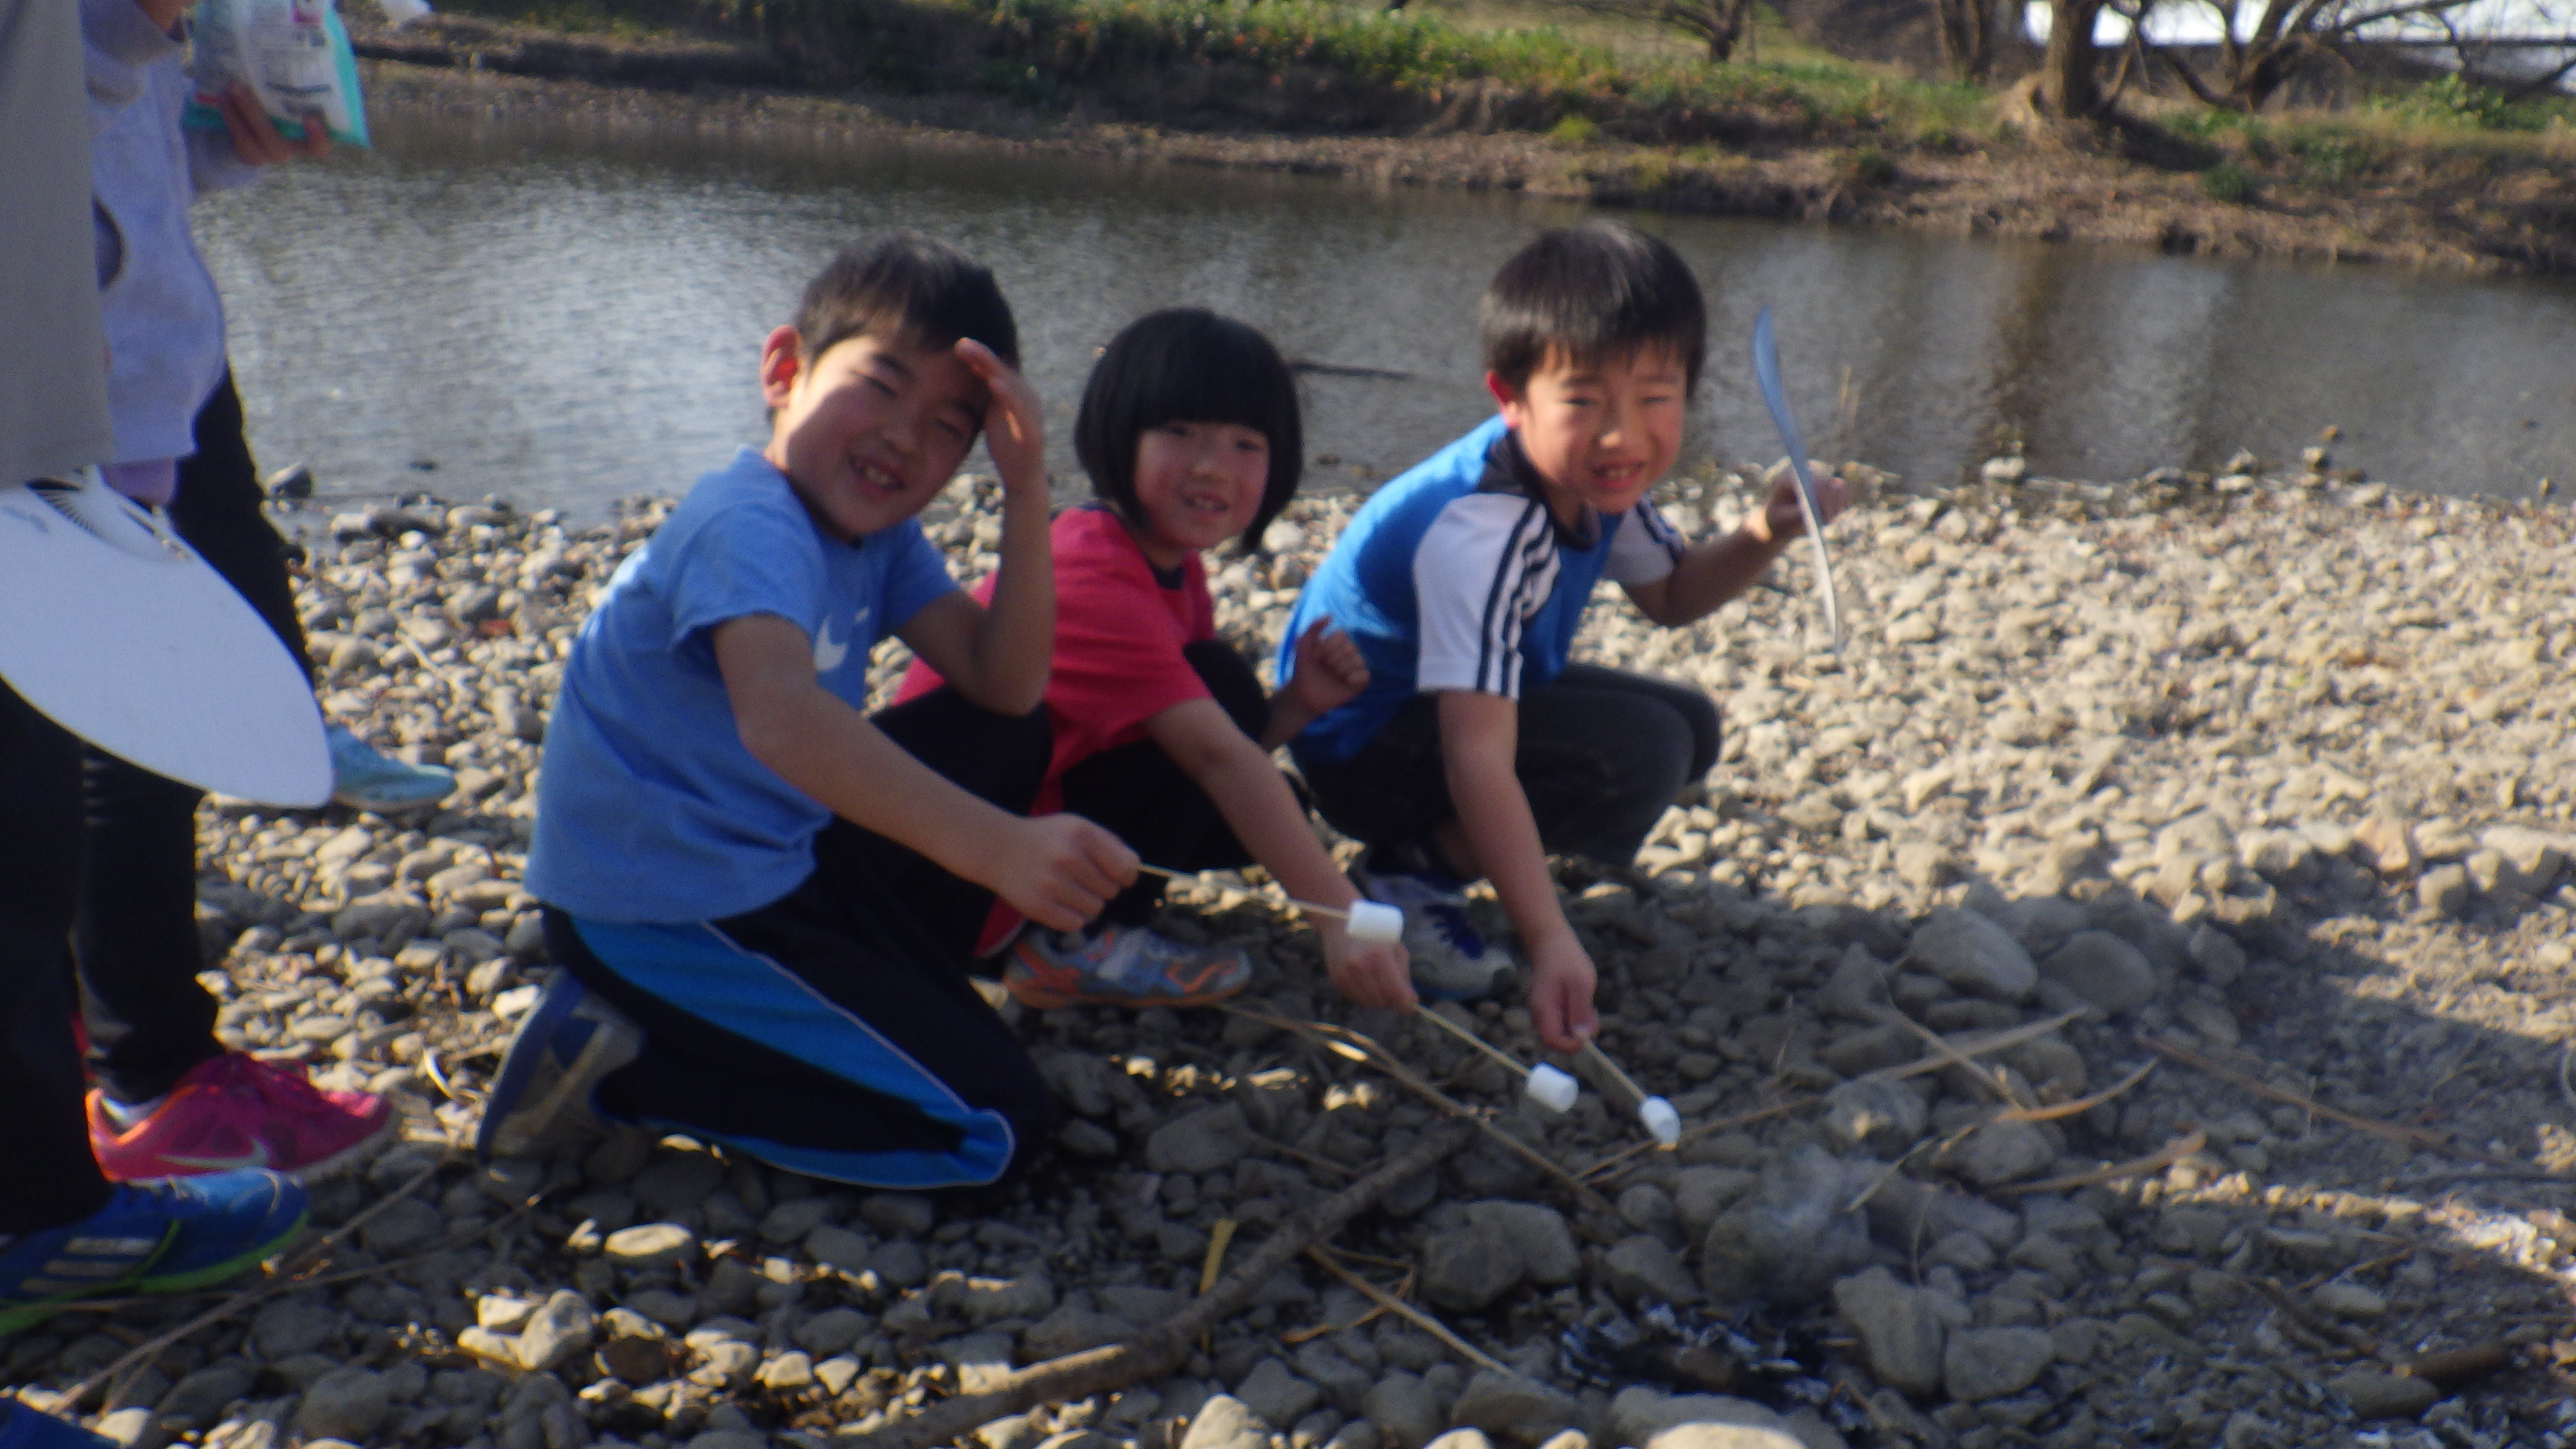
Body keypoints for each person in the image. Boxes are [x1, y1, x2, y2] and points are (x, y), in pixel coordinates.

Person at [480, 234, 1137, 1188]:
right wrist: (998, 849)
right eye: (879, 385)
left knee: (1005, 736)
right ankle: (626, 1077)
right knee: (993, 1130)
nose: (905, 437)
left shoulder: (873, 535)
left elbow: (1005, 684)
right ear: (785, 370)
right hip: (659, 905)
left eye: (950, 425)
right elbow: (781, 719)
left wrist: (1027, 485)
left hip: (773, 858)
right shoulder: (748, 523)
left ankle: (875, 1004)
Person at [1276, 220, 1849, 1049]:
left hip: (1437, 708)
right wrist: (1550, 941)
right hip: (1358, 739)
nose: (1624, 436)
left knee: (1688, 727)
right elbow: (1476, 756)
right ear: (1509, 398)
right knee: (1640, 754)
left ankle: (1469, 855)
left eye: (1655, 398)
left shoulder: (1593, 478)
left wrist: (1768, 532)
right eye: (1584, 401)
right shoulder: (1486, 527)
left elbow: (1673, 596)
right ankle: (1408, 878)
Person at [2, 0, 305, 1355]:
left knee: (44, 805)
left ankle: (63, 1162)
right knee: (55, 796)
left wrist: (186, 92)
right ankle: (119, 1110)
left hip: (72, 404)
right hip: (61, 413)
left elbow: (96, 164)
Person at [62, 0, 404, 1181]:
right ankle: (150, 1074)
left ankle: (75, 1044)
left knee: (178, 692)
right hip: (66, 367)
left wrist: (223, 142)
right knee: (132, 724)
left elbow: (117, 157)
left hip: (150, 363)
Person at [896, 308, 1415, 1015]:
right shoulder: (1094, 572)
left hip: (1018, 831)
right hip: (955, 879)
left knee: (1257, 773)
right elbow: (1216, 761)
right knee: (1226, 703)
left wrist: (1298, 705)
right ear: (1120, 434)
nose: (1212, 466)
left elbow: (1206, 755)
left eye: (1245, 443)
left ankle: (1079, 928)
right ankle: (1068, 945)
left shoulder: (1167, 564)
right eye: (1180, 433)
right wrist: (1340, 918)